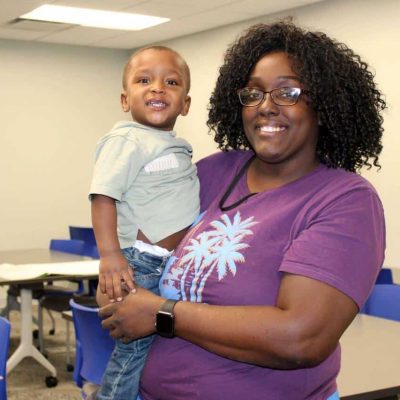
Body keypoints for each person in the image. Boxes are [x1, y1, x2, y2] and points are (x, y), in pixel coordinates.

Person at [99, 21, 386, 400]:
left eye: (288, 91)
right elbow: (145, 249)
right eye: (253, 93)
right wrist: (121, 288)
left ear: (324, 102)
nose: (266, 106)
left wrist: (162, 313)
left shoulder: (344, 200)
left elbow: (300, 337)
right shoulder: (210, 172)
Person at [89, 46, 200, 400]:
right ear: (126, 99)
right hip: (141, 262)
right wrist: (110, 256)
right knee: (133, 350)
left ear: (185, 104)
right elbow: (103, 197)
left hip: (169, 264)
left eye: (171, 82)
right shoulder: (127, 139)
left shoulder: (172, 144)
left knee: (160, 349)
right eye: (144, 80)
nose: (157, 88)